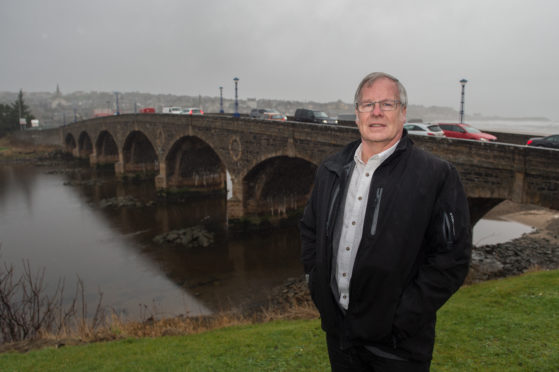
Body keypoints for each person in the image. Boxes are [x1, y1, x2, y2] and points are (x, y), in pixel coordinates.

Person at [300, 72, 471, 371]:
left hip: (398, 348)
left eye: (387, 104)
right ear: (357, 115)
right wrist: (317, 284)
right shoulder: (331, 169)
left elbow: (452, 259)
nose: (376, 112)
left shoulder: (436, 176)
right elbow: (310, 231)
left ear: (403, 113)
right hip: (340, 338)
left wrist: (401, 318)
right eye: (367, 104)